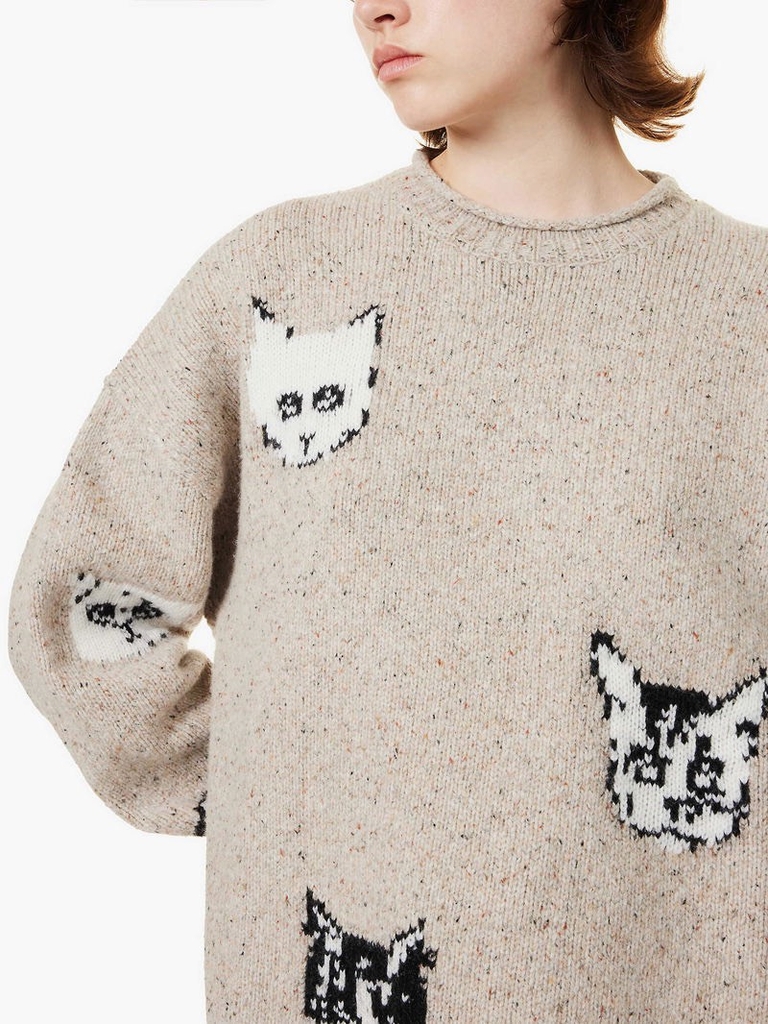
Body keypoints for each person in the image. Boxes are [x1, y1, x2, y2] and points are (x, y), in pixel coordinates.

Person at [8, 1, 768, 1021]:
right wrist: (278, 793)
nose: (376, 9)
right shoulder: (281, 281)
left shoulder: (749, 308)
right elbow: (85, 602)